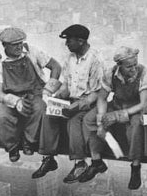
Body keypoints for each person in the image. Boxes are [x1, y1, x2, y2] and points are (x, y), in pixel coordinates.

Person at [42, 23, 106, 183]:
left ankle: (80, 163)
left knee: (74, 121)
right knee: (48, 114)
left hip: (89, 103)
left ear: (81, 41)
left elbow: (96, 93)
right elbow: (66, 85)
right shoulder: (70, 58)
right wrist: (57, 97)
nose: (67, 44)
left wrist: (75, 107)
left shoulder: (96, 60)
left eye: (69, 40)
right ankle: (48, 157)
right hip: (72, 100)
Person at [0, 27, 61, 168]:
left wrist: (48, 90)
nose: (19, 47)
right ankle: (12, 147)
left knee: (40, 109)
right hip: (11, 96)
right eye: (14, 44)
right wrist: (15, 102)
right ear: (5, 45)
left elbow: (56, 67)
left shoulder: (32, 51)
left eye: (20, 43)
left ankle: (29, 142)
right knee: (1, 117)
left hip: (34, 93)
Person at [88, 43, 147, 188]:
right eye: (129, 66)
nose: (133, 68)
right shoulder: (111, 73)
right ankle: (96, 160)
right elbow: (102, 98)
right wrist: (101, 119)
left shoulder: (145, 74)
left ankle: (135, 166)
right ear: (120, 65)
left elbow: (143, 104)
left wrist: (118, 115)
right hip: (118, 104)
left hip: (135, 108)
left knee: (136, 126)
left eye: (135, 64)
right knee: (93, 119)